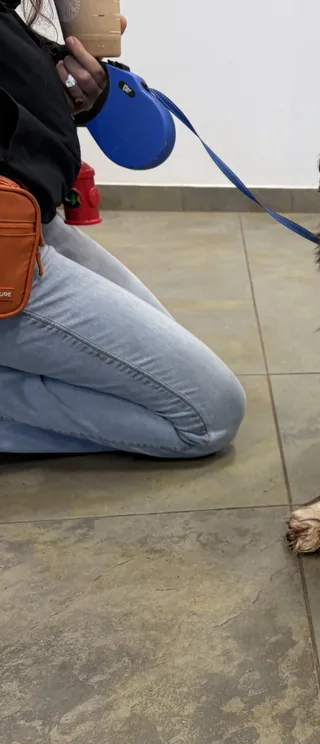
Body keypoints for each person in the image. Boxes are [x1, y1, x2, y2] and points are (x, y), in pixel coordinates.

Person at [0, 0, 246, 457]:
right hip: (6, 251)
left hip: (34, 225)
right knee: (208, 415)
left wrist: (75, 92)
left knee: (162, 357)